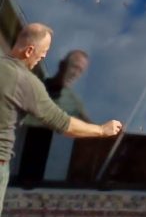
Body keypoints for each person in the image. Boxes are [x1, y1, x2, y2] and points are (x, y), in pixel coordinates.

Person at [0, 24, 122, 217]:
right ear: (30, 50)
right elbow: (64, 124)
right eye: (44, 51)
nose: (44, 56)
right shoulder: (27, 83)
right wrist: (101, 130)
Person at [17, 48, 91, 184]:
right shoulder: (32, 86)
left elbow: (92, 129)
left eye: (80, 71)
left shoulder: (74, 103)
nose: (75, 74)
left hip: (46, 179)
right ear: (62, 65)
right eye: (74, 67)